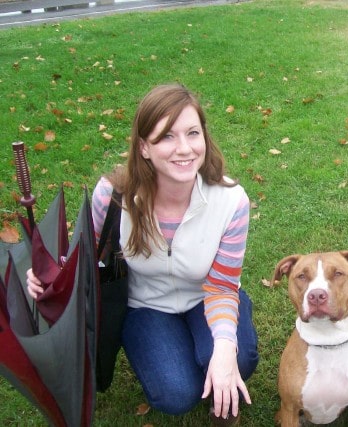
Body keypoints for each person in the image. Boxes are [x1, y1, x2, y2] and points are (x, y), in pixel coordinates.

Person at [27, 84, 259, 424]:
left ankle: (217, 362)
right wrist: (52, 275)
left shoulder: (231, 201)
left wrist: (224, 350)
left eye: (192, 133)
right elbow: (90, 259)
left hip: (205, 297)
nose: (184, 149)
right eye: (166, 136)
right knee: (177, 393)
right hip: (145, 306)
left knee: (235, 359)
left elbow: (222, 286)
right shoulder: (113, 196)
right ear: (144, 148)